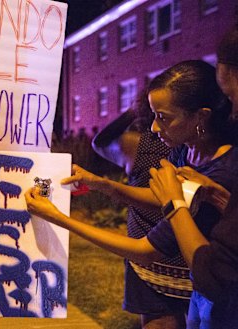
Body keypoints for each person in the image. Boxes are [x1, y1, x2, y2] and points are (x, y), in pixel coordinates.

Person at [25, 60, 236, 328]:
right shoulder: (188, 150)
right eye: (154, 115)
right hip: (201, 293)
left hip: (221, 299)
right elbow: (161, 197)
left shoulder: (223, 172)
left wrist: (57, 218)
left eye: (164, 117)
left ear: (201, 117)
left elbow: (145, 249)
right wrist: (103, 184)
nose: (154, 128)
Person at [147, 27, 238, 328]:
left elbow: (213, 271)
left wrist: (174, 203)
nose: (233, 111)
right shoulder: (185, 153)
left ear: (200, 117)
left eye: (233, 95)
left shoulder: (225, 166)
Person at [92, 92, 190, 328]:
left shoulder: (139, 145)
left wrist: (131, 111)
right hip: (187, 252)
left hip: (148, 257)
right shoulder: (194, 148)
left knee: (159, 322)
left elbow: (100, 142)